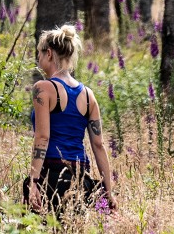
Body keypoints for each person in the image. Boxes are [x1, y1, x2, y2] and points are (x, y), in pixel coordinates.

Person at [25, 24, 117, 215]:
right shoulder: (88, 94)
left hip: (51, 174)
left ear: (49, 53)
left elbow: (42, 137)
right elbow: (98, 144)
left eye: (40, 54)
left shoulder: (43, 88)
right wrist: (109, 190)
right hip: (80, 176)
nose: (38, 58)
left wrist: (34, 181)